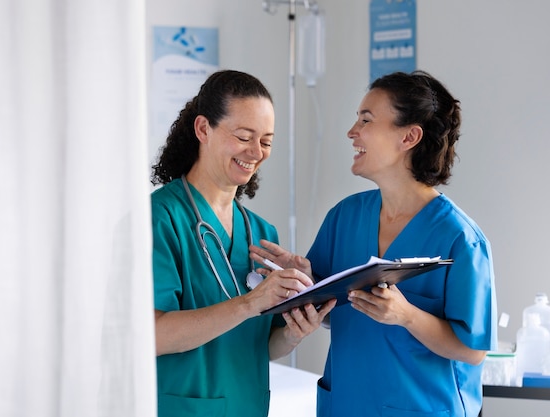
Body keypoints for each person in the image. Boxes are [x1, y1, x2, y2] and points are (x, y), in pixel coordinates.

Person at [250, 70, 497, 417]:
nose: (353, 132)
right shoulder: (344, 218)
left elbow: (473, 350)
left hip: (422, 408)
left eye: (366, 120)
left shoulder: (460, 239)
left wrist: (406, 315)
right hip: (348, 404)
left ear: (409, 136)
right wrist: (308, 282)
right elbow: (329, 314)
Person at [150, 69, 335, 417]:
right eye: (244, 136)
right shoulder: (161, 218)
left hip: (248, 405)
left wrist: (297, 329)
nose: (256, 152)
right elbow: (152, 336)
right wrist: (250, 303)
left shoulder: (261, 235)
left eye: (266, 141)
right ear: (203, 129)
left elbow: (259, 346)